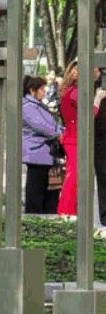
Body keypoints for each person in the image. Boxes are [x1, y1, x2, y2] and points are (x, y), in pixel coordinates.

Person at [57, 62, 104, 220]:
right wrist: (97, 98)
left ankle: (69, 211)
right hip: (75, 139)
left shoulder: (68, 91)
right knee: (74, 177)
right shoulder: (75, 93)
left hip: (72, 137)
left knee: (74, 176)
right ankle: (67, 212)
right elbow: (89, 115)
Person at [22, 76, 62, 215]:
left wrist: (61, 131)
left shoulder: (37, 105)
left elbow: (51, 124)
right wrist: (59, 133)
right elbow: (42, 126)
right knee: (36, 188)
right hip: (37, 153)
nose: (44, 92)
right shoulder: (28, 106)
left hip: (46, 153)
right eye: (41, 89)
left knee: (50, 188)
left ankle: (47, 214)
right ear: (32, 90)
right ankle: (34, 216)